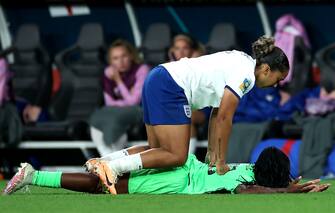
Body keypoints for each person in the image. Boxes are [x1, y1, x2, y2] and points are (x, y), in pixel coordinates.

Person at [86, 36, 289, 188]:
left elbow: (217, 113)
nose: (276, 85)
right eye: (278, 79)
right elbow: (226, 118)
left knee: (157, 151)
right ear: (266, 70)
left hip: (157, 77)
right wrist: (221, 162)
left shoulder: (243, 61)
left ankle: (103, 162)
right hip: (171, 86)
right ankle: (112, 169)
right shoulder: (247, 76)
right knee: (176, 155)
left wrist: (212, 152)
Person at [2, 147, 330, 195]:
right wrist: (285, 191)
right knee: (107, 187)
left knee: (113, 173)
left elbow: (268, 175)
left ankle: (109, 158)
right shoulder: (248, 181)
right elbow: (251, 191)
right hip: (180, 180)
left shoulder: (248, 166)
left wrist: (288, 184)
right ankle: (33, 176)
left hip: (186, 163)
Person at [89, 39, 150, 156]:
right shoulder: (108, 73)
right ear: (110, 61)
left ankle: (112, 160)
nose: (121, 62)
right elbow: (109, 102)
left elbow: (135, 101)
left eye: (124, 56)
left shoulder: (142, 70)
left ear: (131, 56)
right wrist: (125, 100)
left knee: (114, 120)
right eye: (115, 58)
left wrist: (118, 80)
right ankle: (108, 157)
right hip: (116, 110)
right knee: (96, 117)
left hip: (140, 110)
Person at [168, 34, 211, 154]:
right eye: (177, 48)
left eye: (185, 48)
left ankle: (186, 158)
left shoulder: (201, 67)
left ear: (192, 50)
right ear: (172, 51)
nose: (181, 52)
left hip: (201, 108)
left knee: (184, 115)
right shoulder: (168, 68)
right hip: (178, 107)